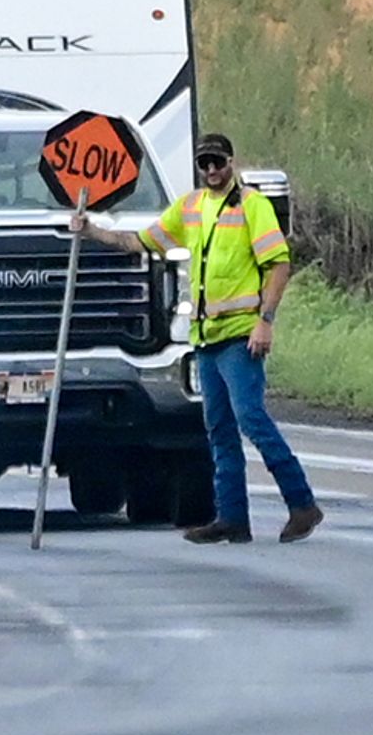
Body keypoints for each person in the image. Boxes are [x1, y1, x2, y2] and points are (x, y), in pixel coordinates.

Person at [94, 134, 320, 544]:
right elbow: (139, 241)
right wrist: (91, 231)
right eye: (205, 164)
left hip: (240, 335)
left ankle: (302, 503)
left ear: (231, 162)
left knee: (252, 418)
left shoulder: (253, 206)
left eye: (218, 162)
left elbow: (279, 265)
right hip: (206, 337)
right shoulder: (192, 207)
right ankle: (232, 518)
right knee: (218, 429)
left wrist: (265, 321)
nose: (212, 170)